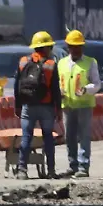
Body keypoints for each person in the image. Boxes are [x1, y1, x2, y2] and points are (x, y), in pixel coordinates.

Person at [13, 31, 61, 178]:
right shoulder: (51, 65)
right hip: (46, 107)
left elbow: (17, 85)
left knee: (26, 137)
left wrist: (18, 105)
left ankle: (22, 170)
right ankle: (51, 171)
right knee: (48, 138)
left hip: (28, 105)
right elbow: (55, 90)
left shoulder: (23, 62)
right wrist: (58, 109)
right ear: (46, 48)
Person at [58, 30, 100, 178]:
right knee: (69, 137)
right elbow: (59, 82)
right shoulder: (62, 63)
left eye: (78, 47)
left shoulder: (90, 62)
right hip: (67, 105)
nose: (75, 50)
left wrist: (86, 89)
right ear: (68, 47)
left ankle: (83, 166)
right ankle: (73, 165)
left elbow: (97, 84)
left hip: (84, 105)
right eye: (72, 47)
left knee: (83, 136)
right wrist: (59, 92)